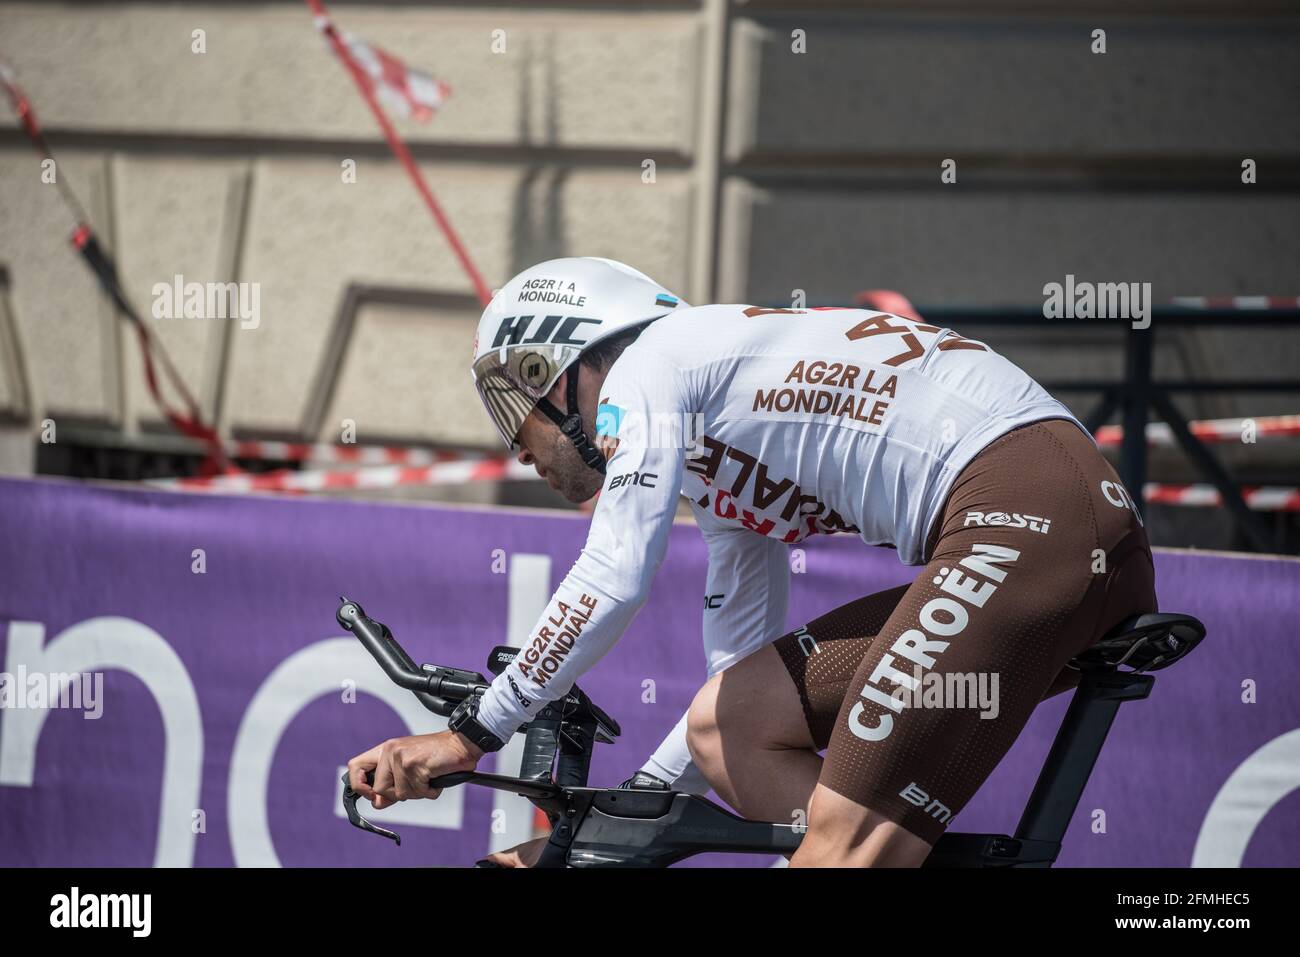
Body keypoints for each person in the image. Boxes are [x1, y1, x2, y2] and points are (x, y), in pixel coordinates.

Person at [347, 256, 1157, 867]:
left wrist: (469, 734)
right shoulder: (710, 441)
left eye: (510, 408)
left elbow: (613, 572)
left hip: (1030, 511)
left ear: (550, 369)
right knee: (731, 723)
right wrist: (589, 841)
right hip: (1044, 525)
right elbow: (734, 685)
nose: (517, 449)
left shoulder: (652, 367)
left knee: (841, 846)